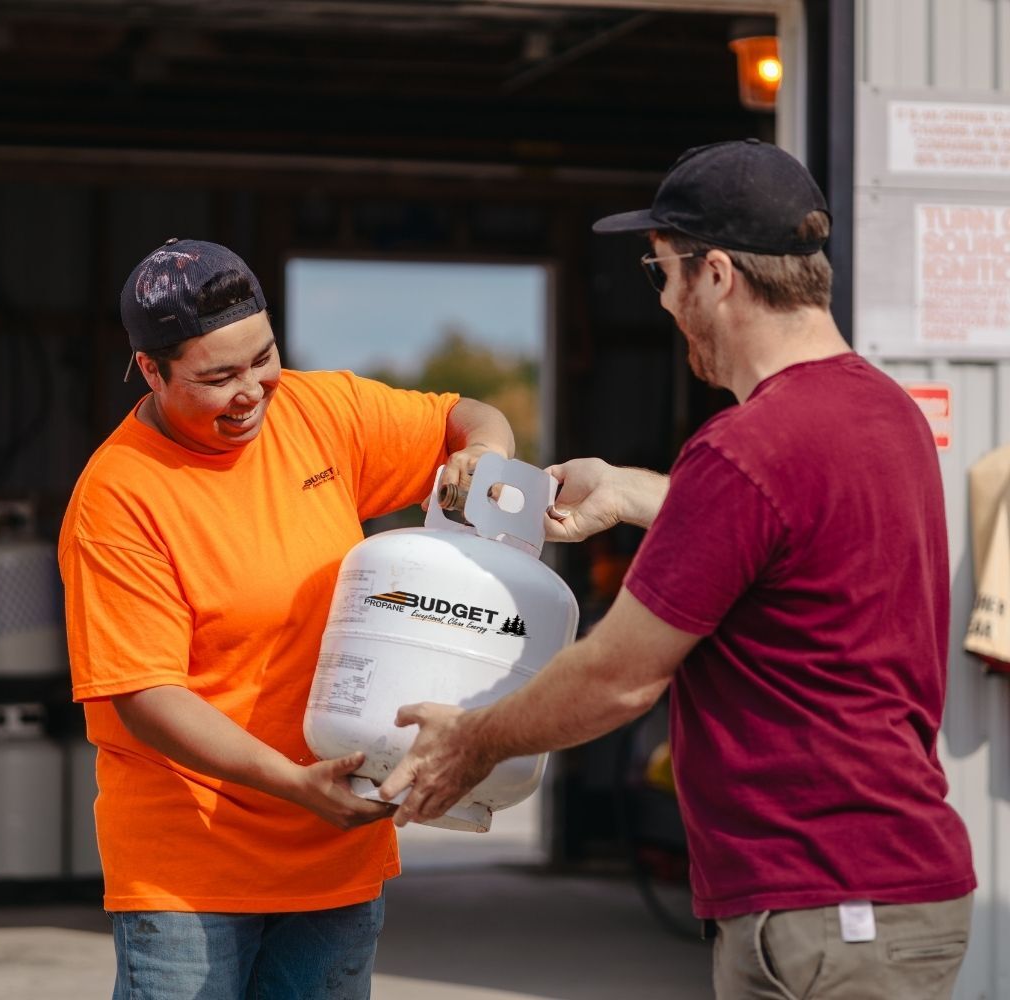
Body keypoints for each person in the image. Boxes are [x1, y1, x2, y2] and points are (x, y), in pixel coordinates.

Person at [378, 140, 977, 999]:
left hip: (822, 907)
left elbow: (618, 678)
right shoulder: (883, 413)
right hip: (886, 892)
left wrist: (472, 742)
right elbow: (792, 534)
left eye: (662, 274)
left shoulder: (746, 450)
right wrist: (630, 491)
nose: (662, 300)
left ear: (719, 275)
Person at [58, 237, 514, 1000]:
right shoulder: (119, 497)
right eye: (216, 377)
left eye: (262, 358)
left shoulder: (315, 410)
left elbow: (464, 417)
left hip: (335, 855)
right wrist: (295, 785)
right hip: (192, 870)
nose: (252, 393)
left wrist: (486, 455)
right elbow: (145, 696)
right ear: (151, 370)